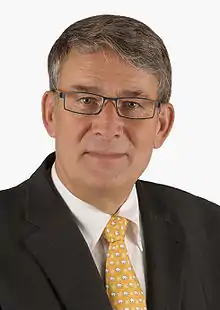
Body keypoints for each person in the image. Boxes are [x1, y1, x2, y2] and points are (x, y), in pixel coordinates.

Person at [0, 13, 220, 310]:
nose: (108, 126)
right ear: (51, 113)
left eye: (132, 104)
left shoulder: (210, 230)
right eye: (86, 100)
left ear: (162, 125)